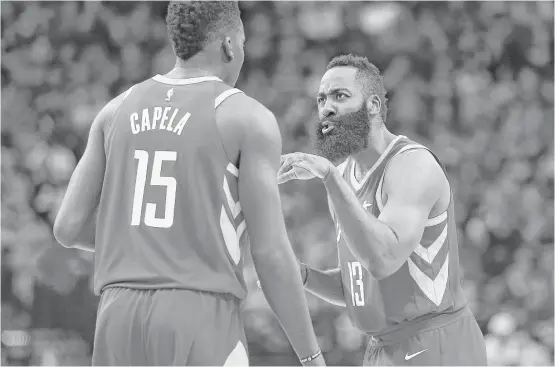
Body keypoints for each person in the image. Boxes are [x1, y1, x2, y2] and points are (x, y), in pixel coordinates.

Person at [53, 2, 325, 366]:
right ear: (229, 45)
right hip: (197, 311)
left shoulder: (115, 109)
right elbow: (271, 255)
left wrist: (156, 240)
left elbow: (68, 228)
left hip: (116, 314)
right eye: (242, 42)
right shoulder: (246, 116)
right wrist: (311, 356)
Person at [277, 54, 487, 366]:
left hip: (436, 343)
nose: (326, 108)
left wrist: (329, 177)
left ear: (373, 105)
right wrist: (304, 276)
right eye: (321, 99)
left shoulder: (411, 165)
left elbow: (382, 259)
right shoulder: (344, 175)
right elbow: (359, 282)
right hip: (382, 347)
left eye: (340, 96)